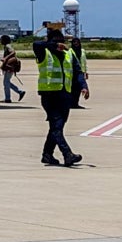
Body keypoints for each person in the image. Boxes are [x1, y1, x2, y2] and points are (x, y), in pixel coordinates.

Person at [33, 29, 82, 167]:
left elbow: (77, 71)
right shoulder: (44, 52)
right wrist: (52, 45)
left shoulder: (68, 54)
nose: (60, 45)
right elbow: (36, 44)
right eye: (56, 42)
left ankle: (47, 155)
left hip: (65, 95)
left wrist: (83, 86)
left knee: (57, 127)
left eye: (61, 42)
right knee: (56, 126)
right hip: (49, 95)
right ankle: (67, 154)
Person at [0, 35, 25, 102]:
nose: (0, 41)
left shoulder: (8, 46)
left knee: (6, 82)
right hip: (9, 67)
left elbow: (13, 52)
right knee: (7, 82)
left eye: (1, 39)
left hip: (10, 67)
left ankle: (8, 99)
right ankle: (19, 92)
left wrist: (5, 58)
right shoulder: (6, 46)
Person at [68, 36, 89, 109]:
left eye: (77, 42)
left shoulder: (82, 51)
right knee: (73, 88)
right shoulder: (70, 51)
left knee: (78, 89)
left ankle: (75, 103)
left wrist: (86, 72)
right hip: (72, 71)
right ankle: (71, 103)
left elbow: (84, 62)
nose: (76, 43)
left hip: (81, 71)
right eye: (74, 42)